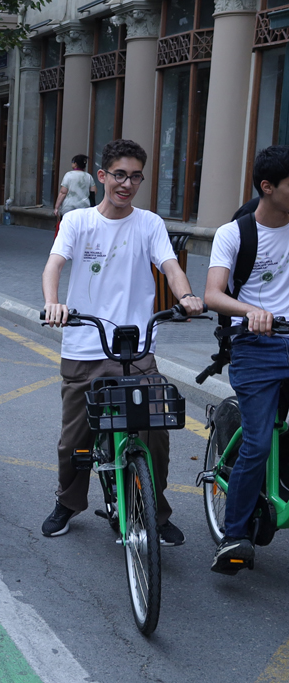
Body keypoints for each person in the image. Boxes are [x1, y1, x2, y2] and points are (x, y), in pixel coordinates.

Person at [40, 139, 204, 541]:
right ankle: (69, 501)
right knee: (74, 441)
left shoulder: (149, 223)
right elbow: (54, 264)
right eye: (119, 175)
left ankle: (155, 512)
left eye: (135, 176)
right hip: (84, 345)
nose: (126, 184)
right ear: (102, 176)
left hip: (136, 350)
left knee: (156, 435)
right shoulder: (79, 222)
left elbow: (169, 265)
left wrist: (185, 296)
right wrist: (52, 304)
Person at [204, 145, 289, 574]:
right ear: (268, 187)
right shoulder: (234, 234)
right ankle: (234, 534)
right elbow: (213, 294)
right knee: (257, 443)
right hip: (256, 346)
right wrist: (249, 311)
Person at [53, 154, 95, 226]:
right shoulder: (89, 177)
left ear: (75, 164)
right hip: (84, 209)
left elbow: (63, 192)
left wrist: (56, 207)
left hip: (69, 208)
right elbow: (93, 191)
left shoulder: (69, 175)